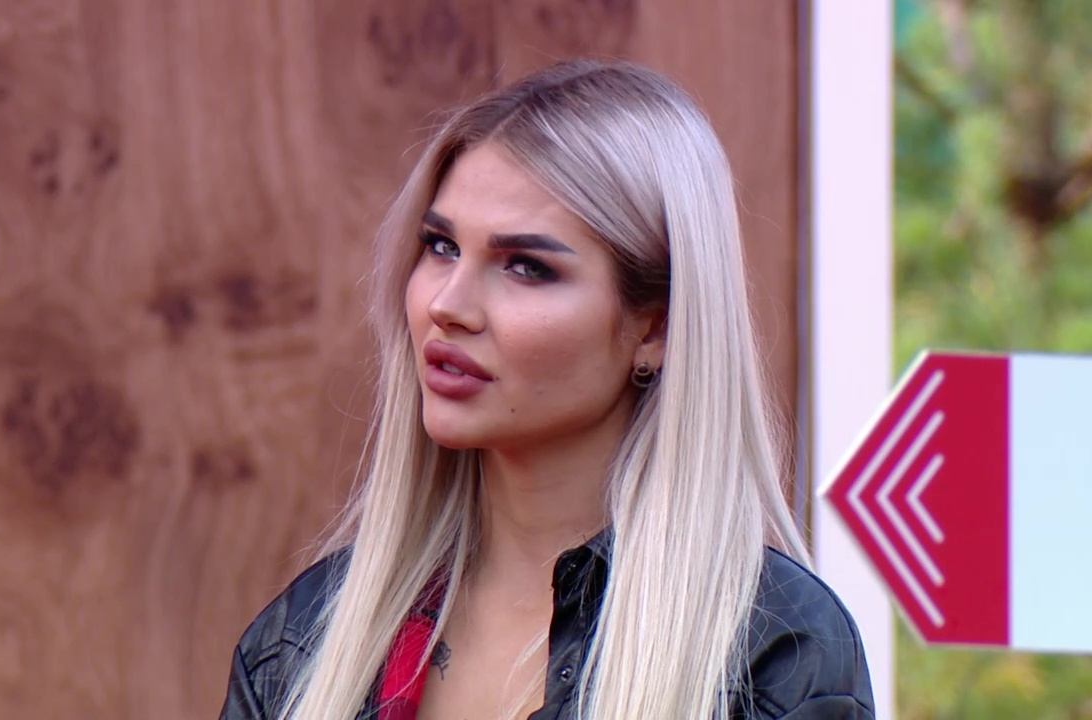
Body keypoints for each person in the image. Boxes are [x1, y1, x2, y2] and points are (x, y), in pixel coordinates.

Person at [218, 59, 874, 719]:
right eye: (442, 247)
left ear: (656, 326)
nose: (448, 305)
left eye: (526, 267)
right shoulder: (301, 647)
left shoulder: (772, 656)